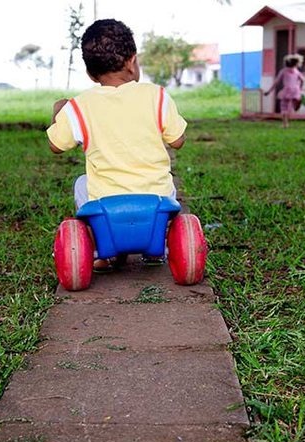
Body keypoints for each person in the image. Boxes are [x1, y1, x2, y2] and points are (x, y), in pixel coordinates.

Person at [47, 19, 187, 271]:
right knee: (167, 180)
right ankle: (156, 245)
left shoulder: (79, 106)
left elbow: (56, 145)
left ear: (90, 73)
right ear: (132, 61)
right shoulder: (157, 96)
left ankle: (104, 250)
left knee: (81, 183)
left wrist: (59, 113)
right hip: (156, 199)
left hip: (106, 204)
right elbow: (177, 141)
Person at [264, 54, 305, 128]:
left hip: (287, 91)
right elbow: (302, 80)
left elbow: (276, 82)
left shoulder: (283, 71)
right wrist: (300, 88)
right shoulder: (296, 71)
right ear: (296, 64)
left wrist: (269, 91)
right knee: (291, 105)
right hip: (295, 91)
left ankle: (285, 124)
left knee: (283, 107)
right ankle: (296, 102)